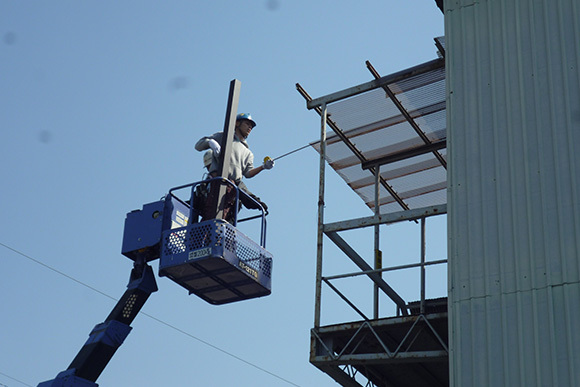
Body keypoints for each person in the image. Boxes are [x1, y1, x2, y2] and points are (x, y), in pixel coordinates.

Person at [194, 113, 274, 223]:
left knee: (225, 217)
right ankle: (203, 235)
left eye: (251, 126)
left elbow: (248, 173)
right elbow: (198, 146)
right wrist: (211, 142)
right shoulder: (224, 137)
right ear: (237, 123)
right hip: (216, 182)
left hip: (232, 187)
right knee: (212, 214)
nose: (250, 127)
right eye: (247, 124)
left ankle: (216, 236)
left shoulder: (247, 152)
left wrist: (263, 167)